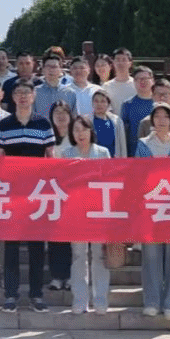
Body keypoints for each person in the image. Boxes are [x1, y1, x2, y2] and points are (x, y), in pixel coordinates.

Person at [0, 81, 53, 312]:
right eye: (19, 93)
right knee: (11, 247)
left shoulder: (43, 124)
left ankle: (36, 295)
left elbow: (51, 157)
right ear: (13, 97)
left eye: (27, 93)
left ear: (34, 95)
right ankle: (11, 295)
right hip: (12, 194)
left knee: (37, 247)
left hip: (37, 194)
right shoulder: (4, 124)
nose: (23, 97)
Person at [136, 103, 170, 320]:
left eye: (165, 116)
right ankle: (152, 301)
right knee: (151, 255)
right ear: (152, 121)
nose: (161, 120)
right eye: (157, 116)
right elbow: (138, 172)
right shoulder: (143, 144)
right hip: (150, 205)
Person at [54, 115, 111, 314]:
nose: (80, 134)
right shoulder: (67, 154)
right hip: (76, 211)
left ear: (91, 131)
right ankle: (80, 300)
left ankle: (100, 299)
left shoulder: (103, 152)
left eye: (84, 129)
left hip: (98, 210)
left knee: (99, 255)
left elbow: (110, 181)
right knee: (79, 255)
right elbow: (62, 183)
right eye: (76, 130)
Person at [45, 101, 74, 292]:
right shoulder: (47, 139)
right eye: (57, 112)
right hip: (53, 192)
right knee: (55, 237)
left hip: (74, 193)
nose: (61, 116)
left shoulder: (76, 137)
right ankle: (56, 276)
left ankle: (71, 276)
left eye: (64, 112)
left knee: (72, 238)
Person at [119, 67, 157, 155]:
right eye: (139, 79)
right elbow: (123, 132)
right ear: (134, 82)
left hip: (158, 153)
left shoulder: (160, 102)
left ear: (153, 81)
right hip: (135, 153)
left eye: (145, 78)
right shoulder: (127, 104)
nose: (142, 82)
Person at [34, 53, 78, 120]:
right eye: (48, 66)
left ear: (60, 69)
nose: (51, 70)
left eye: (54, 67)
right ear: (43, 69)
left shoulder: (70, 93)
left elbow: (74, 117)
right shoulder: (35, 92)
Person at [90, 88, 127, 158]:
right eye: (96, 101)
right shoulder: (88, 121)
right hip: (94, 160)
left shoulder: (117, 121)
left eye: (103, 101)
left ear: (108, 104)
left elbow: (122, 145)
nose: (99, 104)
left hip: (113, 160)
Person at [103, 48, 137, 114]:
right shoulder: (106, 86)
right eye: (117, 60)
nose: (120, 63)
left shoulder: (136, 84)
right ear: (113, 63)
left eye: (124, 60)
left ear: (130, 63)